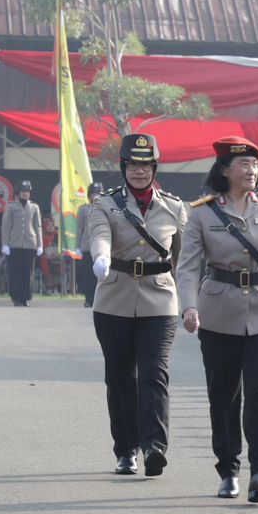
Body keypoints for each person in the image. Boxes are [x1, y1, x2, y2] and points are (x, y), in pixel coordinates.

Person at [177, 136, 258, 502]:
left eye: (255, 165)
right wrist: (188, 306)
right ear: (225, 170)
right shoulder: (202, 212)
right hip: (218, 311)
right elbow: (187, 267)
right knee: (223, 394)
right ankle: (228, 468)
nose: (252, 171)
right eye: (244, 165)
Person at [85, 134, 188, 478]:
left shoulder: (174, 207)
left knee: (154, 373)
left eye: (146, 165)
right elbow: (100, 233)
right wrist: (100, 256)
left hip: (159, 299)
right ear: (123, 167)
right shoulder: (106, 203)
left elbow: (185, 261)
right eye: (133, 165)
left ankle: (154, 446)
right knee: (120, 377)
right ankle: (126, 449)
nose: (139, 172)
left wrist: (192, 303)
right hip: (113, 298)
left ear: (154, 167)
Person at [2, 179, 41, 306]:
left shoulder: (34, 207)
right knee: (15, 272)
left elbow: (38, 226)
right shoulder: (11, 206)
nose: (25, 194)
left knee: (27, 272)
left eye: (27, 191)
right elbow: (6, 226)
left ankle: (26, 297)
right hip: (15, 243)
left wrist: (40, 244)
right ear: (18, 193)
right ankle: (16, 297)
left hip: (30, 243)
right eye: (22, 191)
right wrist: (5, 244)